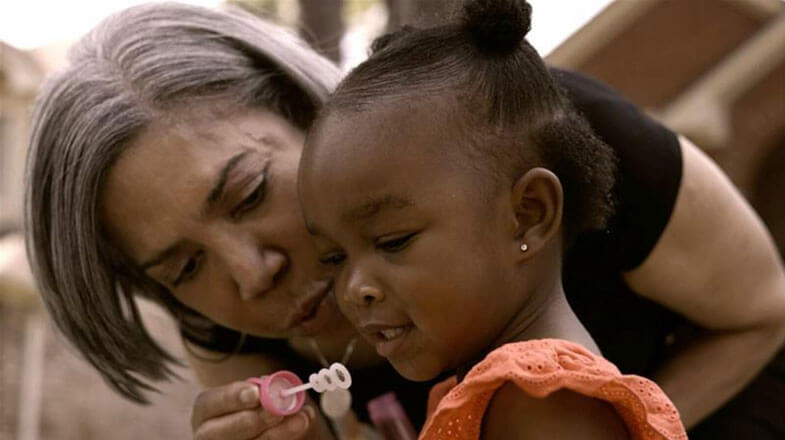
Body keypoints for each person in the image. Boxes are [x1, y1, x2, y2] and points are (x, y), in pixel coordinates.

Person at [23, 2, 785, 440]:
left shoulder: (532, 134)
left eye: (250, 193)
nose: (251, 274)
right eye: (184, 268)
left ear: (304, 107)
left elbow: (761, 313)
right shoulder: (230, 339)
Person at [298, 1, 687, 438]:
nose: (354, 289)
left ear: (528, 215)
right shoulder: (504, 396)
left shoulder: (545, 404)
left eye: (393, 241)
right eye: (334, 257)